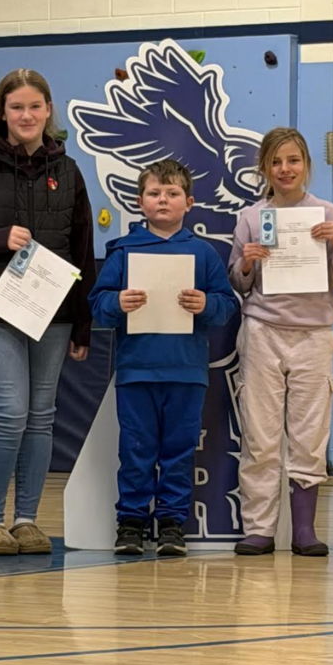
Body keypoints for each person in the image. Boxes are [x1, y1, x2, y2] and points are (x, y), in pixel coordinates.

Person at [0, 69, 96, 556]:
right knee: (9, 412)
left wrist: (83, 319)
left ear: (49, 110)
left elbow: (83, 250)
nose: (26, 115)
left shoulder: (67, 171)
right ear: (2, 113)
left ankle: (27, 519)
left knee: (41, 417)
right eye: (16, 107)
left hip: (54, 313)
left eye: (35, 106)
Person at [89, 159, 239, 557]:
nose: (163, 200)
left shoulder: (203, 253)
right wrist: (116, 302)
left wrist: (206, 304)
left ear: (189, 202)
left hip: (187, 372)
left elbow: (226, 306)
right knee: (136, 450)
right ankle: (132, 523)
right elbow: (98, 305)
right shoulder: (122, 252)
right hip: (136, 370)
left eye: (172, 194)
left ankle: (172, 523)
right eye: (154, 193)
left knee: (179, 450)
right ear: (140, 202)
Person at [228, 127, 333, 557]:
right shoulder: (251, 217)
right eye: (276, 162)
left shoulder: (326, 212)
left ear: (306, 165)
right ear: (264, 167)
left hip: (314, 335)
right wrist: (246, 263)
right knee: (261, 435)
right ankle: (259, 528)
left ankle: (304, 529)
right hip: (263, 331)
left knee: (309, 434)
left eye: (293, 161)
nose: (285, 169)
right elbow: (239, 284)